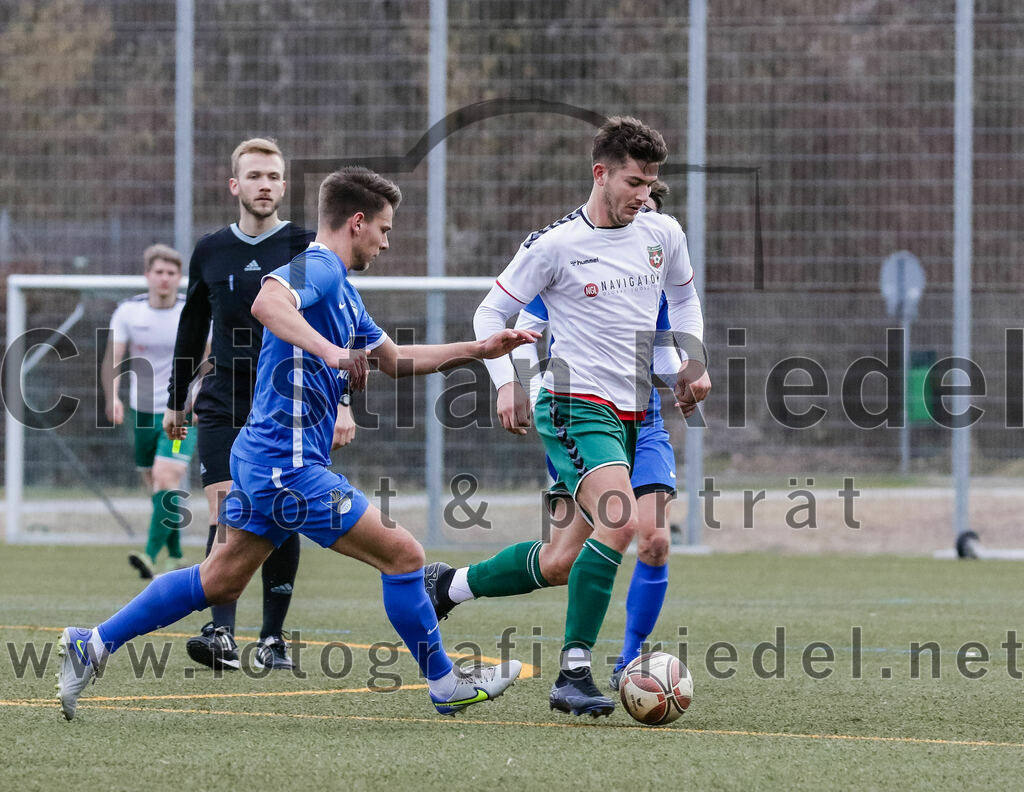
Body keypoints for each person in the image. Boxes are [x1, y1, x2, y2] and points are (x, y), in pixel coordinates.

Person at [56, 165, 536, 722]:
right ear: (357, 222)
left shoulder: (344, 293)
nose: (387, 241)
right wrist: (331, 353)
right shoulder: (318, 267)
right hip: (287, 464)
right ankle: (445, 683)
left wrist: (479, 350)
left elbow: (395, 361)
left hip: (265, 458)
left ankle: (91, 642)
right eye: (384, 228)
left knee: (220, 577)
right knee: (405, 555)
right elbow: (267, 305)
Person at [443, 118, 711, 717]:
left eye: (651, 183)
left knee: (563, 561)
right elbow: (492, 314)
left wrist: (691, 364)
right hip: (573, 403)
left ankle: (448, 586)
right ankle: (574, 673)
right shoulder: (554, 245)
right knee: (621, 522)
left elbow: (685, 299)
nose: (645, 194)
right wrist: (506, 380)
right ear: (601, 174)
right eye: (635, 181)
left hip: (637, 412)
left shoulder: (662, 232)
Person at [164, 138, 329, 672]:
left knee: (281, 512)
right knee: (225, 507)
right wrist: (176, 398)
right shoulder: (211, 249)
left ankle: (273, 638)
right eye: (254, 176)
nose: (265, 185)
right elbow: (192, 328)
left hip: (287, 403)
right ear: (235, 185)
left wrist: (344, 403)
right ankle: (220, 634)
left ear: (283, 186)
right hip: (222, 400)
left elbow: (332, 323)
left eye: (274, 177)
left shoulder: (306, 247)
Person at [101, 244, 196, 578]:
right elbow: (113, 358)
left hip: (180, 412)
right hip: (140, 413)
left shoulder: (191, 311)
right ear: (148, 276)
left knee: (166, 477)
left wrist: (195, 398)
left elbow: (210, 361)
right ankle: (176, 554)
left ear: (179, 277)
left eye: (172, 273)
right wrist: (111, 396)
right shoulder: (129, 311)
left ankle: (150, 555)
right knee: (157, 487)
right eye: (159, 272)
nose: (165, 279)